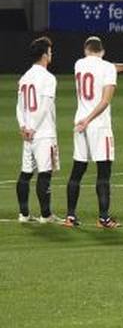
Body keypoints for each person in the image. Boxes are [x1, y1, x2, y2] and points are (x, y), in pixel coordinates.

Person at [64, 37, 123, 229]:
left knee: (77, 171)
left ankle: (70, 216)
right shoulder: (107, 68)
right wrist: (90, 119)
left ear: (86, 50)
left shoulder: (79, 64)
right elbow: (105, 100)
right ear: (103, 51)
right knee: (103, 173)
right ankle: (104, 219)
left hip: (79, 123)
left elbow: (106, 67)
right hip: (98, 124)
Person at [16, 38, 59, 223]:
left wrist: (24, 126)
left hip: (27, 134)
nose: (51, 54)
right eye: (50, 52)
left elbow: (19, 106)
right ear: (44, 55)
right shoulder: (48, 78)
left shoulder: (25, 77)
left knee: (26, 173)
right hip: (42, 132)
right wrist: (33, 128)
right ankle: (46, 214)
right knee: (45, 172)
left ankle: (24, 214)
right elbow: (44, 105)